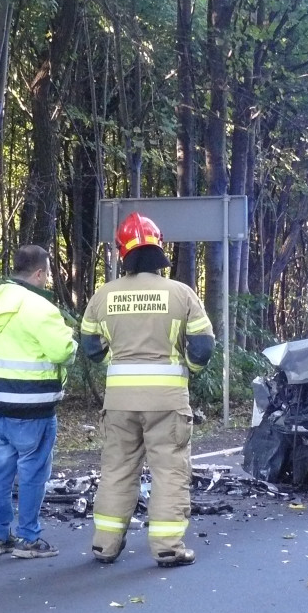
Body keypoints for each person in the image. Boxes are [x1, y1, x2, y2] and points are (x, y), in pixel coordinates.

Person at [80, 213, 215, 568]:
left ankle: (105, 545)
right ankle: (168, 548)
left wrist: (115, 354)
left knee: (117, 470)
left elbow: (91, 347)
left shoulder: (104, 294)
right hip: (167, 402)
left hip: (120, 403)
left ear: (121, 252)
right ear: (159, 250)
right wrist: (188, 372)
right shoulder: (180, 293)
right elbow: (203, 347)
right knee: (169, 471)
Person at [0, 245, 77, 559]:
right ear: (40, 272)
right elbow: (62, 352)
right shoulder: (39, 307)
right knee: (33, 472)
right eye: (48, 274)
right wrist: (71, 342)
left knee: (0, 470)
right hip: (34, 405)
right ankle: (29, 538)